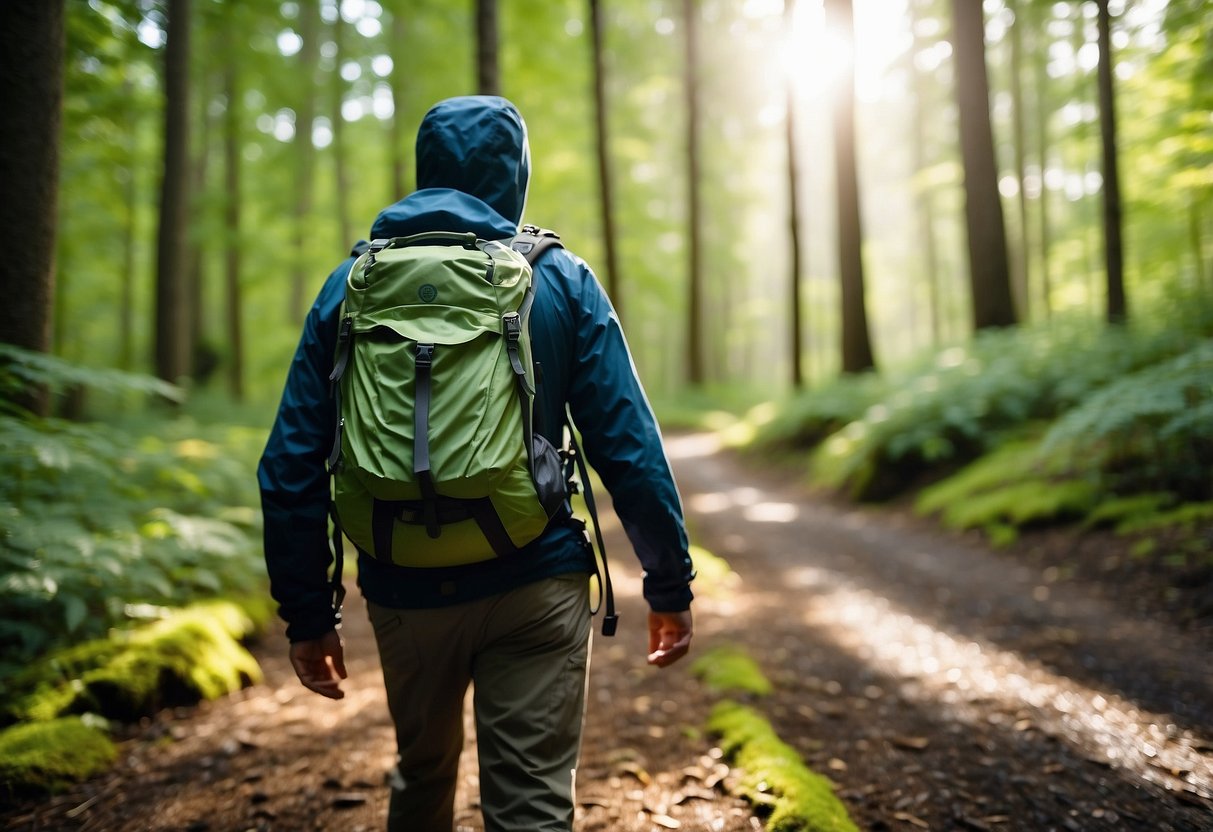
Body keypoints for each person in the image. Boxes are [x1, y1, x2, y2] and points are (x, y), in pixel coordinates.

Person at [257, 95, 695, 832]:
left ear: (427, 171)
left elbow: (290, 462)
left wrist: (307, 613)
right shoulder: (558, 278)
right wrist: (668, 581)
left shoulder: (351, 285)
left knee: (422, 772)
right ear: (513, 175)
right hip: (534, 575)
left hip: (403, 584)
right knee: (528, 802)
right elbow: (626, 444)